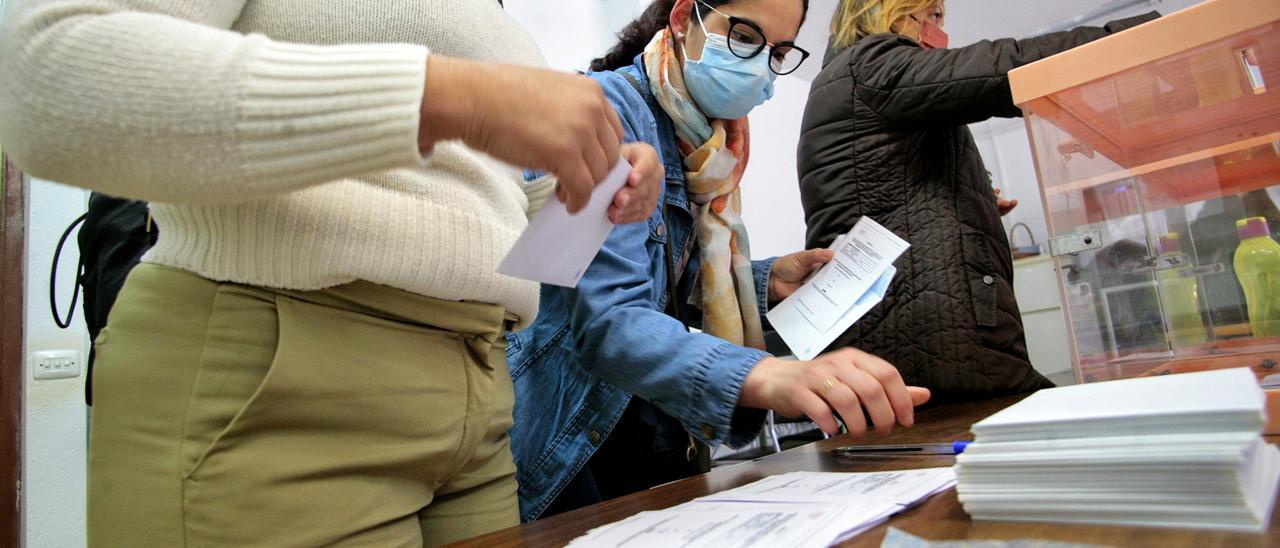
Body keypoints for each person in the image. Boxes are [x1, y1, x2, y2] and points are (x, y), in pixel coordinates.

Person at [0, 0, 664, 545]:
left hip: (480, 397)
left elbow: (472, 206)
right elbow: (46, 72)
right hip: (280, 388)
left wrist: (600, 190)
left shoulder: (498, 20)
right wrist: (450, 96)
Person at [508, 0, 930, 522]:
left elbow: (668, 291)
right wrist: (772, 376)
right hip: (572, 445)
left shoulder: (705, 147)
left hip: (654, 438)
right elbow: (609, 322)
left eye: (776, 52)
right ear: (684, 18)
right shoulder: (608, 112)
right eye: (745, 36)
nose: (758, 66)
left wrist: (765, 281)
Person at [796, 0, 1159, 402]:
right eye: (930, 15)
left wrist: (975, 200)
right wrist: (1142, 39)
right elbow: (1003, 66)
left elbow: (884, 188)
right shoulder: (871, 65)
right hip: (925, 336)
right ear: (887, 11)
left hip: (891, 329)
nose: (937, 29)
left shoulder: (844, 81)